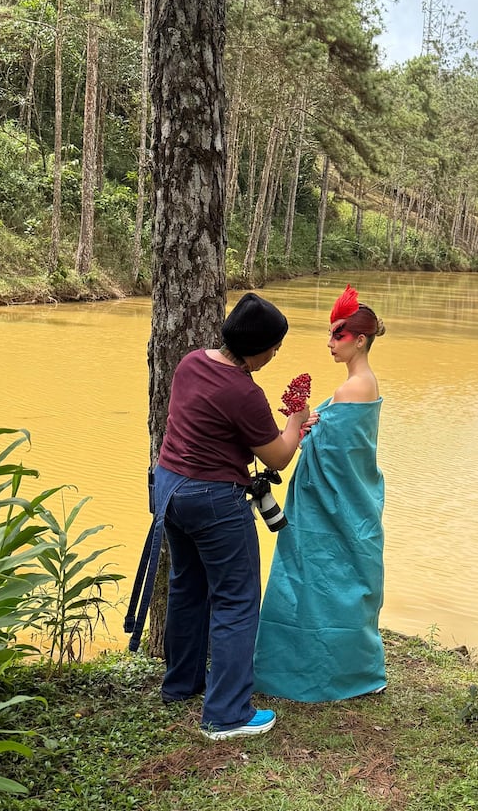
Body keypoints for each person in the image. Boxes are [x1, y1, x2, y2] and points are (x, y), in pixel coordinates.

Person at [155, 292, 310, 741]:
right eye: (274, 346)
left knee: (188, 587)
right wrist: (296, 421)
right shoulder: (244, 391)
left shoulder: (191, 363)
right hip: (212, 501)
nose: (276, 353)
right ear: (257, 347)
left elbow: (214, 427)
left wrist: (287, 427)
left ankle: (181, 685)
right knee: (237, 601)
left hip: (170, 489)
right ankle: (226, 715)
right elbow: (279, 457)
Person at [253, 285, 386, 702]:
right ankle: (343, 666)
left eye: (338, 336)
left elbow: (337, 457)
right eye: (330, 334)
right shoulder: (361, 383)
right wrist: (309, 421)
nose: (330, 343)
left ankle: (310, 671)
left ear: (360, 340)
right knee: (337, 584)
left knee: (317, 579)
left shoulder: (353, 389)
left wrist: (300, 425)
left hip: (330, 503)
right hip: (348, 498)